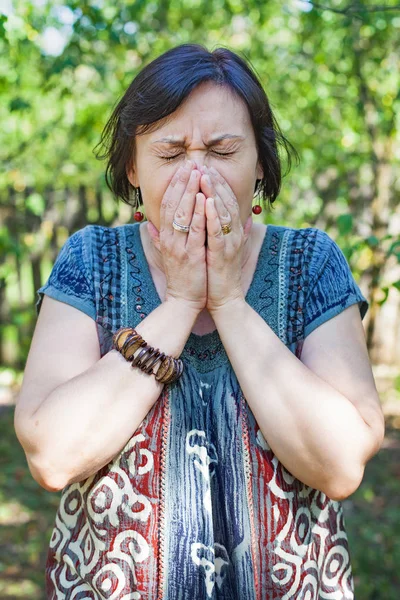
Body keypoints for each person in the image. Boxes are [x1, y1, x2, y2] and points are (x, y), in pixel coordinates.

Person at [15, 43, 385, 600]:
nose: (197, 173)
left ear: (258, 162)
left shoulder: (311, 261)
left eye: (220, 150)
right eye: (170, 153)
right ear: (133, 168)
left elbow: (339, 466)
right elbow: (51, 454)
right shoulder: (90, 259)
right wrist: (183, 301)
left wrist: (231, 301)